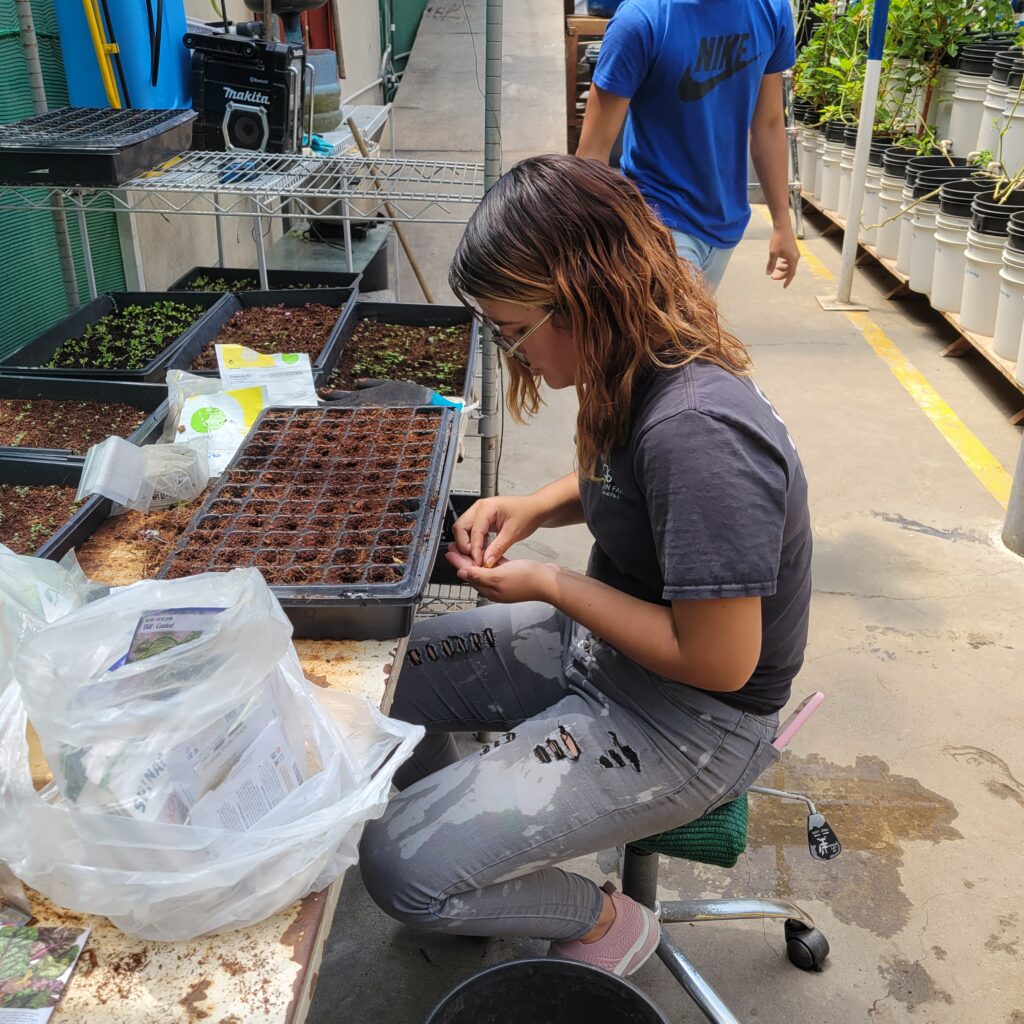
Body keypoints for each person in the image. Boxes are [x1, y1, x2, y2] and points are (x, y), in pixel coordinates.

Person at [358, 154, 812, 977]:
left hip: (689, 722)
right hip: (609, 651)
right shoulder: (634, 362)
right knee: (391, 677)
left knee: (394, 869)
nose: (511, 351)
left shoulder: (699, 431)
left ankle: (602, 918)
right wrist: (533, 506)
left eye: (512, 331)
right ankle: (472, 846)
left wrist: (550, 579)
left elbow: (720, 659)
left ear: (580, 300)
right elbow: (625, 480)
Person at [576, 0, 801, 292]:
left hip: (727, 223)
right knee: (672, 336)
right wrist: (586, 249)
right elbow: (592, 151)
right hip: (659, 219)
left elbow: (768, 124)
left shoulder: (771, 10)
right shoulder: (642, 19)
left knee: (684, 334)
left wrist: (782, 223)